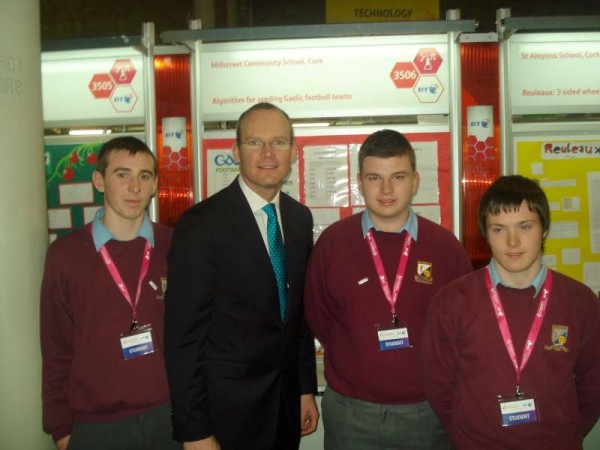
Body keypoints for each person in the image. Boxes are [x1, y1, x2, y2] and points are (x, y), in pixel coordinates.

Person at [164, 102, 319, 450]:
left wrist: (305, 387)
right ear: (235, 150)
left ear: (293, 152)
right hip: (225, 418)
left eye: (278, 142)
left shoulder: (298, 219)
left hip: (285, 406)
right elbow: (183, 339)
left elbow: (298, 318)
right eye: (254, 142)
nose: (268, 153)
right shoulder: (200, 225)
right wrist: (194, 431)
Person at [304, 129, 472, 450]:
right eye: (374, 178)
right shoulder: (333, 244)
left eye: (397, 176)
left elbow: (462, 329)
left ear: (415, 180)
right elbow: (318, 317)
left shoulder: (446, 248)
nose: (385, 190)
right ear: (359, 181)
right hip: (351, 413)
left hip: (428, 412)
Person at [421, 175, 600, 450]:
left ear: (544, 229)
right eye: (499, 229)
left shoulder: (580, 301)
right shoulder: (452, 301)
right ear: (485, 234)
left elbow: (593, 384)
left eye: (524, 226)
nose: (513, 241)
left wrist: (565, 436)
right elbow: (439, 385)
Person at [40, 136, 180, 450]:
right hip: (95, 426)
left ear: (155, 184)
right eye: (122, 174)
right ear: (99, 181)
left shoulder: (176, 246)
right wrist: (61, 429)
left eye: (144, 176)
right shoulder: (65, 255)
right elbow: (55, 349)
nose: (135, 187)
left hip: (169, 417)